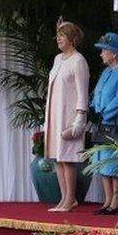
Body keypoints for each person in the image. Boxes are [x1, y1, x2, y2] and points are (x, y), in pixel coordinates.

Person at [43, 21, 89, 212]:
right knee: (58, 158)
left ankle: (71, 199)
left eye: (62, 35)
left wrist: (80, 117)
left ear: (71, 38)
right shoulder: (58, 59)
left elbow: (82, 91)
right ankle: (64, 198)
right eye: (58, 36)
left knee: (67, 157)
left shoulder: (78, 61)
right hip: (55, 114)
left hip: (69, 115)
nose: (58, 39)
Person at [90, 32, 118, 215]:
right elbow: (97, 93)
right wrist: (93, 109)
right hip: (102, 122)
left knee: (115, 164)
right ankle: (107, 200)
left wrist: (105, 113)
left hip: (116, 124)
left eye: (104, 51)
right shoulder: (107, 71)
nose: (101, 54)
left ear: (115, 53)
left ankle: (116, 202)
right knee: (102, 162)